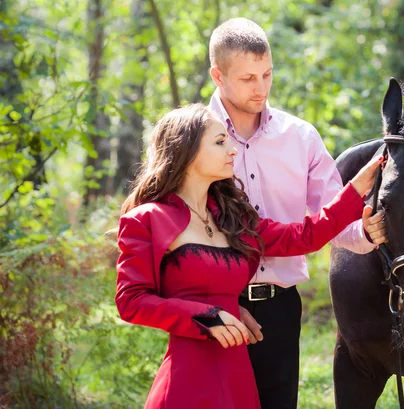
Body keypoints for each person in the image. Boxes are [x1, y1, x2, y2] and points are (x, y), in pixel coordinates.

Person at [114, 103, 383, 409]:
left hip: (237, 371)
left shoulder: (234, 217)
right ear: (186, 151)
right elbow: (131, 301)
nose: (232, 150)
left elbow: (303, 237)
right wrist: (205, 316)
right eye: (219, 142)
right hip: (187, 377)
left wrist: (356, 188)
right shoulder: (145, 220)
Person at [207, 17, 387, 409]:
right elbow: (176, 231)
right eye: (248, 78)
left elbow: (334, 218)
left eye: (267, 74)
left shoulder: (300, 137)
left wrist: (366, 231)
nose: (261, 88)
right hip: (211, 307)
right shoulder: (192, 137)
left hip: (279, 307)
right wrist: (216, 304)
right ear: (217, 76)